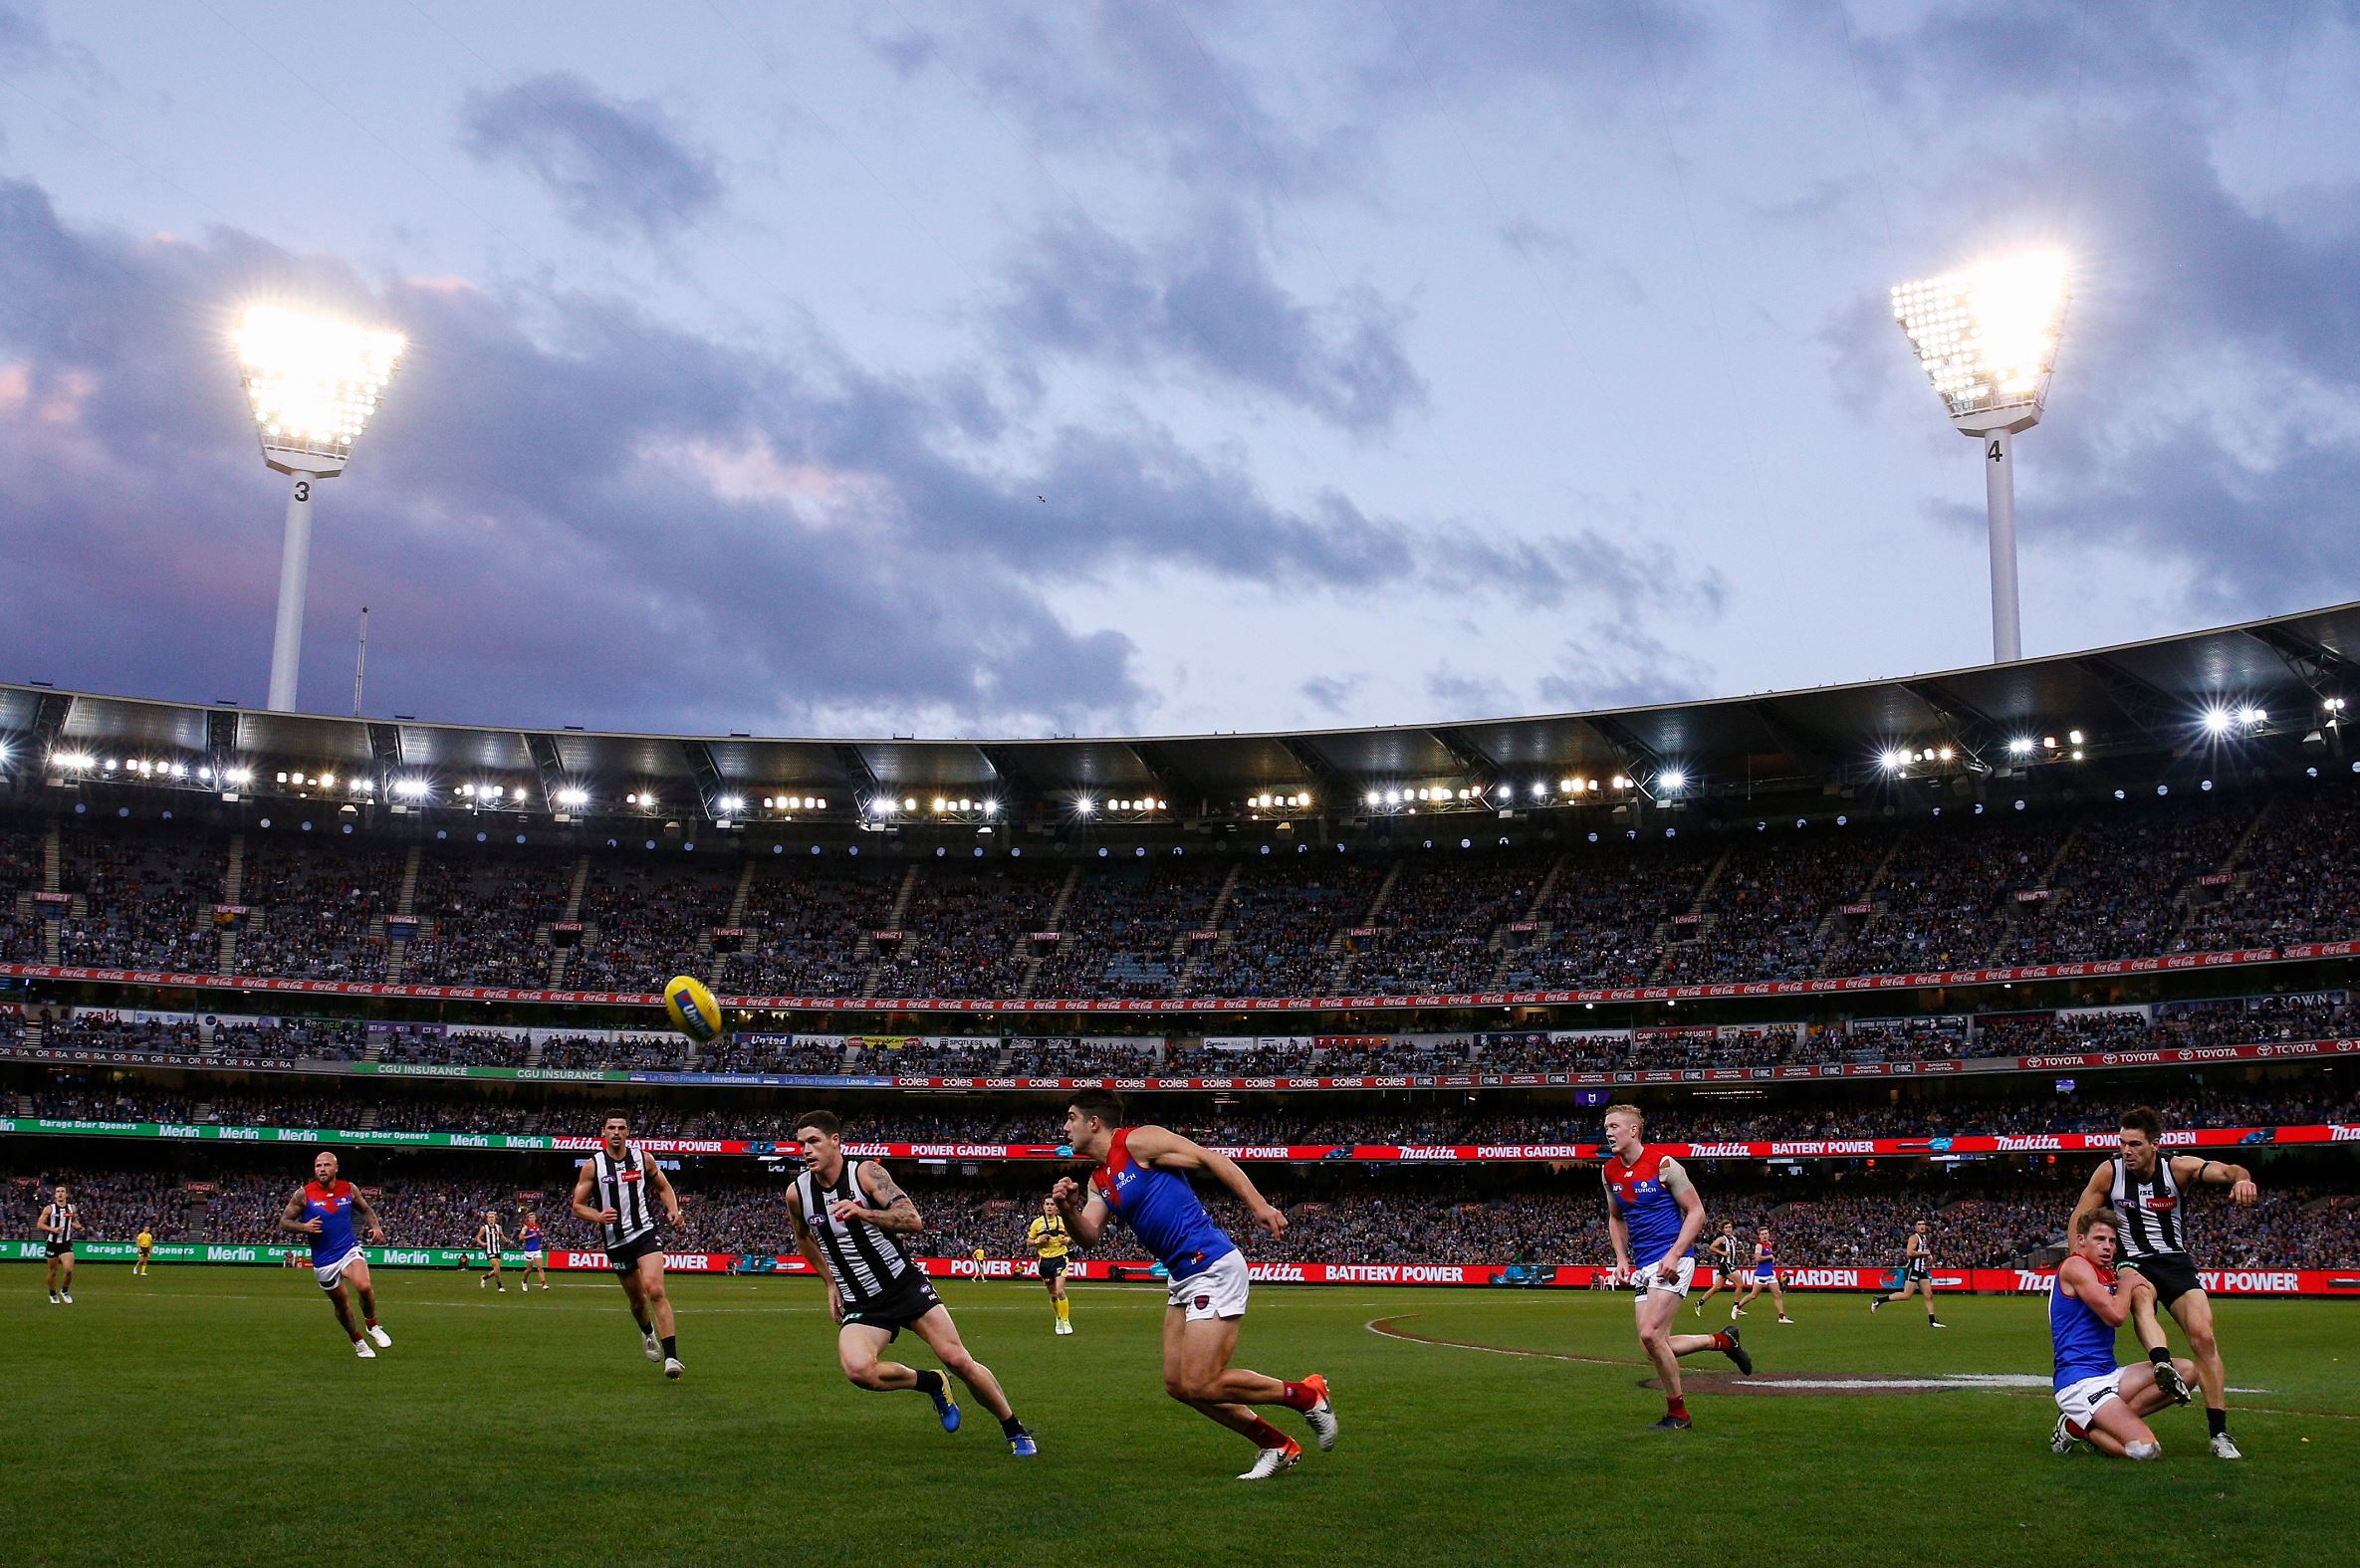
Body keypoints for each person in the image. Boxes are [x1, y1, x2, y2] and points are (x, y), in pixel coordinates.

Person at [1053, 1088, 1334, 1480]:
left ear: (1093, 1122)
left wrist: (1259, 1205)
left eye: (1070, 1118)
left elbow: (1210, 1158)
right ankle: (1276, 1444)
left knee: (1202, 1380)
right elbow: (1089, 1237)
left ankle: (1306, 1394)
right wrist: (1067, 1210)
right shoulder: (1099, 1181)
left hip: (1212, 1264)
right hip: (1183, 1277)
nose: (1064, 1127)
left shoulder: (1137, 1141)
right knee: (1180, 1385)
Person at [786, 1111, 1037, 1457]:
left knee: (958, 1358)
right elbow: (803, 1239)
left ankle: (1015, 1429)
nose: (806, 1150)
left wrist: (864, 1212)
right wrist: (830, 1283)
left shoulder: (866, 1174)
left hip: (903, 1286)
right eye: (801, 1144)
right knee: (859, 1371)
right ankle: (932, 1383)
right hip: (861, 1301)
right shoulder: (797, 1193)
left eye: (813, 1141)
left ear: (835, 1141)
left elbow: (913, 1220)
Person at [2071, 1105, 2258, 1459]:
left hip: (2174, 1261)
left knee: (2203, 1336)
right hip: (2132, 1261)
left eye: (2135, 1144)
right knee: (2140, 1295)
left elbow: (2229, 1169)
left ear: (2154, 1144)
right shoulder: (2109, 1171)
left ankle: (2219, 1434)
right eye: (2123, 1143)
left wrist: (2243, 1178)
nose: (2127, 1151)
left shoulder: (2177, 1168)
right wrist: (2078, 1264)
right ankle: (2160, 1362)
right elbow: (2080, 1215)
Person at [1600, 1105, 1752, 1431]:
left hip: (1674, 1260)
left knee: (1651, 1334)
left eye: (1614, 1126)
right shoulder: (1609, 1171)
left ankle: (1679, 1414)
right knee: (1651, 1345)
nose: (1608, 1132)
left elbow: (1696, 1213)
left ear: (1633, 1131)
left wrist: (1674, 1253)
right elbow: (1616, 1217)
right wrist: (1621, 1259)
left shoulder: (1664, 1164)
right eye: (1606, 1126)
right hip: (1643, 1265)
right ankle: (1724, 1341)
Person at [2048, 1208, 2199, 1459]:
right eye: (2099, 1239)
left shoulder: (2106, 1273)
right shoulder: (2076, 1265)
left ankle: (2086, 1422)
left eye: (2112, 1241)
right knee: (2146, 1450)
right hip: (2079, 1381)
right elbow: (2115, 1316)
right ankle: (2081, 1429)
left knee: (2187, 1371)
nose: (2107, 1246)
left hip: (2109, 1373)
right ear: (2081, 1240)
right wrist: (2128, 1283)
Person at [571, 1113, 686, 1378]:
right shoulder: (593, 1166)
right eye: (611, 1127)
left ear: (628, 1132)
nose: (616, 1132)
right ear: (603, 1132)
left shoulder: (643, 1158)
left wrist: (673, 1210)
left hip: (644, 1232)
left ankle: (672, 1358)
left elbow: (664, 1187)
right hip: (616, 1242)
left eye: (621, 1128)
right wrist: (597, 1216)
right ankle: (647, 1333)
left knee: (655, 1289)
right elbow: (577, 1206)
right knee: (637, 1302)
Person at [277, 1151, 393, 1358]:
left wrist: (376, 1227)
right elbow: (284, 1222)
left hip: (348, 1248)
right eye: (318, 1165)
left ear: (336, 1168)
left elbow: (366, 1210)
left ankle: (372, 1325)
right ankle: (357, 1341)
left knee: (364, 1285)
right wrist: (304, 1227)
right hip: (324, 1261)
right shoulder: (303, 1194)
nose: (322, 1169)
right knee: (342, 1305)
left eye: (326, 1165)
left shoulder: (349, 1189)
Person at [1870, 1221, 1945, 1327]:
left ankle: (1932, 1321)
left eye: (1923, 1224)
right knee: (1906, 1295)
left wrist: (1928, 1256)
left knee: (1928, 1294)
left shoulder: (1923, 1238)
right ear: (1915, 1227)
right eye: (1919, 1224)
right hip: (1913, 1269)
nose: (1922, 1226)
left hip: (1921, 1269)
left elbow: (1921, 1251)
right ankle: (1879, 1300)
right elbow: (1909, 1253)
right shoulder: (1914, 1238)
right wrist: (1924, 1253)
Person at [1026, 1195, 1075, 1335]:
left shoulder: (1062, 1221)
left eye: (1052, 1204)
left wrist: (1067, 1240)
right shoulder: (1037, 1223)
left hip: (1060, 1258)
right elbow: (1028, 1241)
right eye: (1047, 1204)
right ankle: (1058, 1318)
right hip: (1044, 1261)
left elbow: (1073, 1235)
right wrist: (1037, 1241)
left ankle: (1066, 1321)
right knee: (1053, 1294)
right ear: (1043, 1206)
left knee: (1059, 1291)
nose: (1049, 1206)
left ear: (1056, 1207)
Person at [1732, 1227, 1793, 1323]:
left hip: (1770, 1274)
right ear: (1759, 1236)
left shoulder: (1769, 1244)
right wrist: (1769, 1256)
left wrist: (1771, 1259)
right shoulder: (1759, 1246)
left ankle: (1782, 1317)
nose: (1765, 1236)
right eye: (1763, 1234)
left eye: (1766, 1233)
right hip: (1761, 1274)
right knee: (1753, 1295)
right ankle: (1737, 1307)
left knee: (1778, 1294)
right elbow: (1757, 1258)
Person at [1692, 1220, 1742, 1318]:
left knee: (1716, 1288)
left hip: (1727, 1264)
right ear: (1723, 1230)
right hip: (1726, 1264)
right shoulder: (1721, 1239)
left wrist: (1739, 1252)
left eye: (1729, 1227)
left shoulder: (1734, 1239)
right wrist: (1722, 1253)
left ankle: (1699, 1303)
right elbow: (1711, 1247)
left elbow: (1732, 1250)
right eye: (1726, 1227)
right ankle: (1736, 1307)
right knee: (1740, 1284)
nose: (1728, 1229)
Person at [38, 1184, 78, 1304]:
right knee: (53, 1272)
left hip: (66, 1243)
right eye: (58, 1191)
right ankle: (52, 1294)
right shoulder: (49, 1209)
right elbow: (39, 1225)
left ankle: (64, 1291)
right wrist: (52, 1229)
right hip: (52, 1243)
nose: (60, 1193)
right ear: (55, 1195)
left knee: (69, 1270)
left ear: (66, 1194)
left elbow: (74, 1220)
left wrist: (77, 1226)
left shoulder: (72, 1208)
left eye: (62, 1191)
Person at [476, 1210, 508, 1292]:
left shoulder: (498, 1227)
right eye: (489, 1217)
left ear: (495, 1218)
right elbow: (478, 1238)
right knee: (496, 1267)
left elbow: (501, 1236)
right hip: (489, 1250)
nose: (491, 1219)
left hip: (497, 1250)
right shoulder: (484, 1228)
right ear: (487, 1219)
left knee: (496, 1270)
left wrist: (504, 1239)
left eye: (492, 1217)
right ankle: (500, 1286)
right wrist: (482, 1243)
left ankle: (484, 1277)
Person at [517, 1209, 549, 1291]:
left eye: (533, 1217)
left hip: (537, 1250)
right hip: (528, 1251)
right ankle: (524, 1282)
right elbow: (520, 1237)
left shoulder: (537, 1226)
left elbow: (538, 1234)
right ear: (528, 1219)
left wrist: (541, 1234)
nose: (532, 1219)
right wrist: (530, 1236)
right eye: (530, 1218)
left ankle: (543, 1284)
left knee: (540, 1267)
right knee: (529, 1269)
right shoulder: (526, 1227)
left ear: (535, 1218)